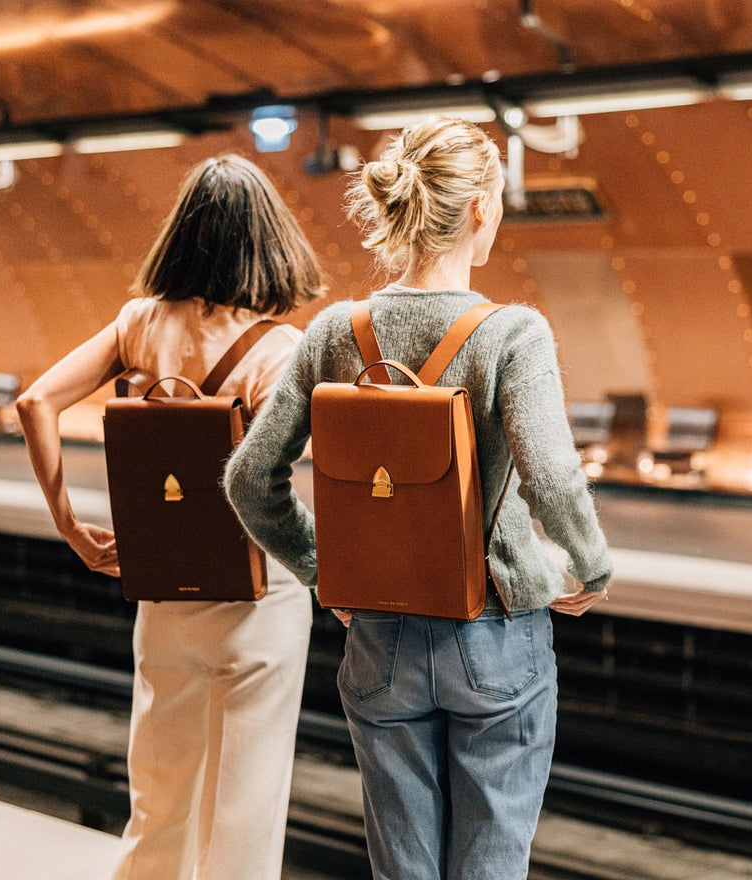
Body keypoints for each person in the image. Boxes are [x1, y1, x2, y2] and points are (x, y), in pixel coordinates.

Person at [225, 117, 612, 880]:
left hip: (381, 640)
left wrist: (321, 569)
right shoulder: (513, 334)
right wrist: (588, 567)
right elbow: (553, 477)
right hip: (497, 633)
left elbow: (248, 478)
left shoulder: (336, 330)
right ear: (479, 211)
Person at [16, 153, 324, 880]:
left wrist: (68, 523)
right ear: (269, 241)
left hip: (162, 586)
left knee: (160, 797)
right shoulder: (283, 352)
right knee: (242, 811)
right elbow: (269, 486)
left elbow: (37, 403)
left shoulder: (138, 325)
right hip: (257, 596)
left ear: (182, 235)